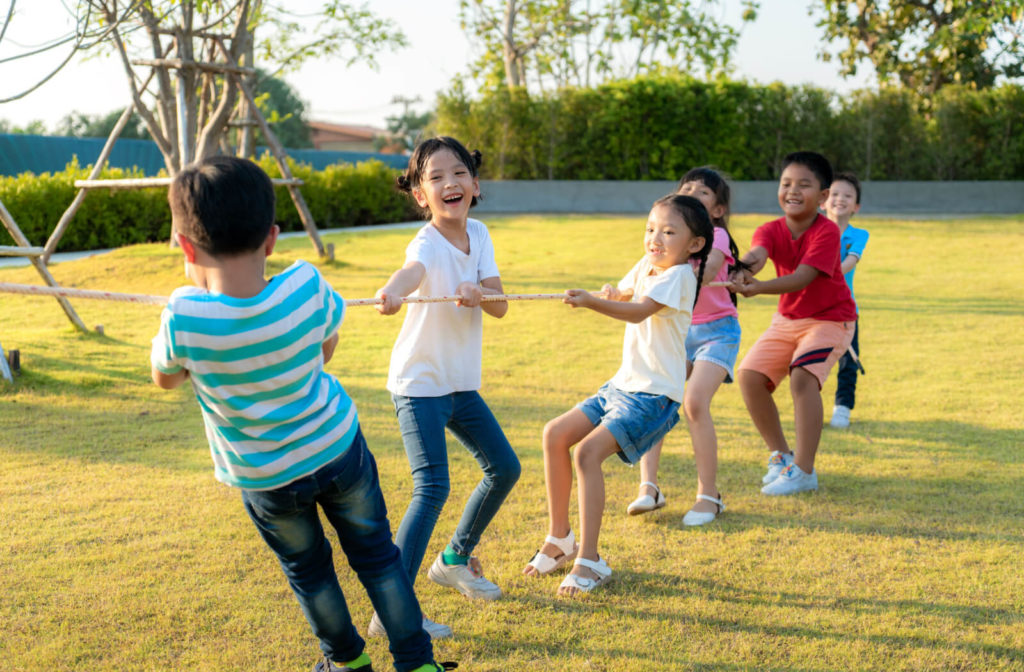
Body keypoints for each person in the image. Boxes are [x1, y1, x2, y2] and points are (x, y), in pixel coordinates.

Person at [150, 156, 452, 672]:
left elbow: (167, 378)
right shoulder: (305, 286)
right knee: (378, 556)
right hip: (337, 450)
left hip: (265, 476)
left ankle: (347, 662)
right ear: (271, 238)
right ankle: (416, 663)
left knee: (309, 573)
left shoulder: (184, 315)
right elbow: (326, 347)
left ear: (186, 246)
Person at [522, 194, 713, 596]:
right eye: (650, 229)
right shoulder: (649, 263)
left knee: (586, 454)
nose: (655, 239)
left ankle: (590, 560)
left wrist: (592, 302)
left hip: (653, 395)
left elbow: (641, 309)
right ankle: (560, 540)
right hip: (621, 385)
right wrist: (611, 291)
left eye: (668, 231)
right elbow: (627, 294)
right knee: (555, 433)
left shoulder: (680, 275)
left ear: (694, 244)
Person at [374, 137, 521, 637]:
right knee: (432, 486)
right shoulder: (426, 241)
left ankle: (454, 559)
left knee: (504, 467)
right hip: (419, 384)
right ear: (420, 195)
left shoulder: (478, 234)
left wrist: (478, 293)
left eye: (458, 173)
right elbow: (411, 271)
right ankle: (393, 612)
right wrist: (393, 292)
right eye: (434, 177)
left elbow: (501, 304)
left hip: (459, 384)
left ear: (474, 185)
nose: (449, 183)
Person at [728, 151, 857, 496]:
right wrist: (739, 270)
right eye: (786, 184)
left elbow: (802, 277)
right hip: (788, 320)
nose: (792, 191)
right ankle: (782, 457)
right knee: (750, 376)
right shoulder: (770, 229)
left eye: (804, 184)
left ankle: (803, 470)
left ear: (824, 196)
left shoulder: (827, 231)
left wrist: (757, 288)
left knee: (803, 379)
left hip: (831, 320)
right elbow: (757, 256)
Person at [626, 167, 748, 526]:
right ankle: (649, 488)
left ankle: (709, 496)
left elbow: (705, 275)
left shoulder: (717, 238)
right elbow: (642, 276)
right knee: (657, 398)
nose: (693, 192)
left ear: (717, 210)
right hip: (680, 333)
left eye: (704, 192)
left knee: (694, 402)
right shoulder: (668, 241)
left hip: (717, 334)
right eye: (687, 187)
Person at [824, 171, 869, 429]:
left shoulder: (859, 235)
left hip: (845, 310)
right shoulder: (811, 231)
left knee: (848, 361)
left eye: (847, 196)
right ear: (823, 200)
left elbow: (848, 264)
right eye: (834, 194)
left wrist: (819, 270)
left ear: (856, 206)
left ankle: (842, 408)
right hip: (814, 310)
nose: (840, 199)